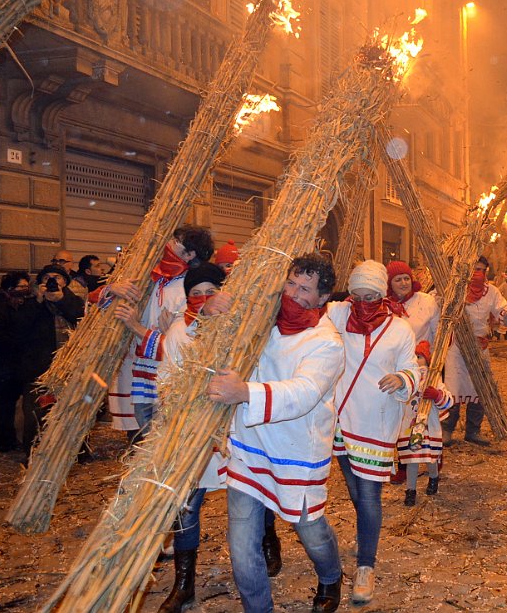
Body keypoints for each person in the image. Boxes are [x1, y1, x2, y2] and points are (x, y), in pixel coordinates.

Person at [205, 253, 344, 613]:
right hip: (249, 447)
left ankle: (330, 577)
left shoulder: (326, 342)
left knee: (310, 533)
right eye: (292, 283)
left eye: (306, 289)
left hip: (296, 450)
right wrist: (209, 312)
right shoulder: (263, 318)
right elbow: (204, 344)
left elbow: (304, 392)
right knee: (241, 546)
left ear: (322, 298)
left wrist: (246, 393)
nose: (295, 294)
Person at [125, 262, 228, 613]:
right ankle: (184, 586)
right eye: (195, 294)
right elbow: (165, 382)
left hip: (231, 432)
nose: (203, 299)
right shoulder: (178, 333)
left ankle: (268, 539)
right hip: (189, 431)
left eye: (210, 292)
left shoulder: (240, 329)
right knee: (186, 506)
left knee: (251, 497)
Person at [327, 260, 419, 605]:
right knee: (354, 490)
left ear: (382, 295)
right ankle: (367, 532)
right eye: (357, 295)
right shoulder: (336, 316)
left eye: (371, 296)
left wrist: (402, 379)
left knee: (368, 496)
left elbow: (411, 367)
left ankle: (366, 565)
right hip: (339, 420)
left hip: (375, 420)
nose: (363, 302)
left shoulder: (399, 329)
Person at [98, 225, 213, 438]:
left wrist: (137, 327)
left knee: (161, 440)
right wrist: (112, 289)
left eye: (174, 242)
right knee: (137, 438)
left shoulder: (192, 290)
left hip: (167, 380)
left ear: (190, 254)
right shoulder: (152, 277)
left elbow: (184, 346)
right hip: (138, 374)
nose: (167, 245)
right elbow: (100, 308)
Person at [442, 256, 507, 446]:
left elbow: (502, 310)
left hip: (480, 346)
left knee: (480, 387)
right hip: (457, 346)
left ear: (486, 272)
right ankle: (447, 429)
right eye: (473, 269)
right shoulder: (454, 289)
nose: (477, 274)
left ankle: (473, 430)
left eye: (481, 270)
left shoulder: (492, 292)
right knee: (452, 387)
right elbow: (438, 304)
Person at [15, 264, 85, 453]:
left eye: (57, 278)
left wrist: (62, 301)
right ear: (39, 284)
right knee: (36, 413)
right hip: (38, 368)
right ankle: (34, 451)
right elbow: (20, 328)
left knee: (71, 411)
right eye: (47, 278)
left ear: (65, 282)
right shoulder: (31, 303)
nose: (53, 282)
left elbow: (82, 320)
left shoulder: (74, 300)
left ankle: (74, 452)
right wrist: (38, 301)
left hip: (69, 367)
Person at [395, 340, 454, 506]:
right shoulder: (405, 379)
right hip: (410, 428)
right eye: (413, 356)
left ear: (427, 360)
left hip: (429, 428)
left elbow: (448, 400)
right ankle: (410, 490)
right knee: (412, 460)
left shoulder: (434, 379)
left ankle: (434, 478)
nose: (416, 359)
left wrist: (437, 395)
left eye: (419, 356)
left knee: (430, 459)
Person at [0, 272, 30, 452]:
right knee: (3, 403)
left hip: (11, 363)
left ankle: (7, 438)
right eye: (21, 287)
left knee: (9, 402)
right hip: (1, 363)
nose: (25, 291)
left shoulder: (15, 304)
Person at [385, 260, 439, 345]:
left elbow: (438, 335)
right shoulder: (384, 306)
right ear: (390, 284)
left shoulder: (427, 301)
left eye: (406, 278)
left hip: (422, 356)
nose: (404, 283)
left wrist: (426, 353)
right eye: (398, 280)